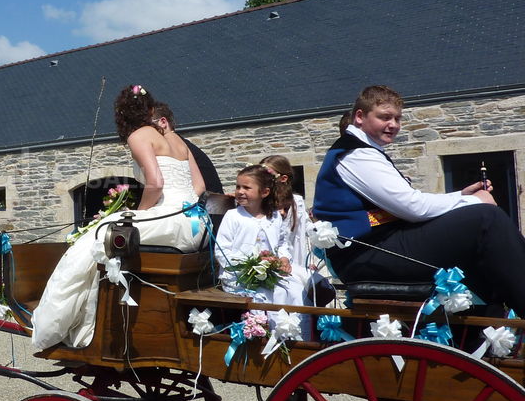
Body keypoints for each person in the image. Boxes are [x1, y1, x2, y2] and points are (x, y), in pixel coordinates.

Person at [313, 85, 525, 313]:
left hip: (381, 246)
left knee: (477, 240)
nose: (393, 125)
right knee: (486, 220)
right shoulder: (357, 154)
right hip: (367, 253)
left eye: (397, 118)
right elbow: (413, 207)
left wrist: (462, 196)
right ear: (360, 117)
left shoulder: (366, 151)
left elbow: (410, 203)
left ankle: (489, 319)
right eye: (384, 117)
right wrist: (475, 201)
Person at [30, 85, 206, 350]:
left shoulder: (139, 135)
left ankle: (72, 323)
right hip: (197, 224)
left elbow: (156, 183)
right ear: (150, 109)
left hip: (170, 218)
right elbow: (199, 187)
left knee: (95, 237)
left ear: (121, 115)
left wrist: (143, 213)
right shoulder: (177, 140)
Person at [215, 165, 300, 311]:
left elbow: (282, 243)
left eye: (246, 188)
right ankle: (262, 329)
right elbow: (221, 251)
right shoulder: (233, 216)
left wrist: (284, 258)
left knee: (296, 290)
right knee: (265, 296)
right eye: (238, 187)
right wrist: (251, 266)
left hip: (270, 274)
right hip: (240, 277)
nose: (240, 191)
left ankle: (291, 328)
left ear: (265, 192)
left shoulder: (274, 217)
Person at [151, 102, 224, 194]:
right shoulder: (180, 144)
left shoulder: (175, 147)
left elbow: (199, 187)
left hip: (206, 204)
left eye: (147, 125)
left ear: (163, 122)